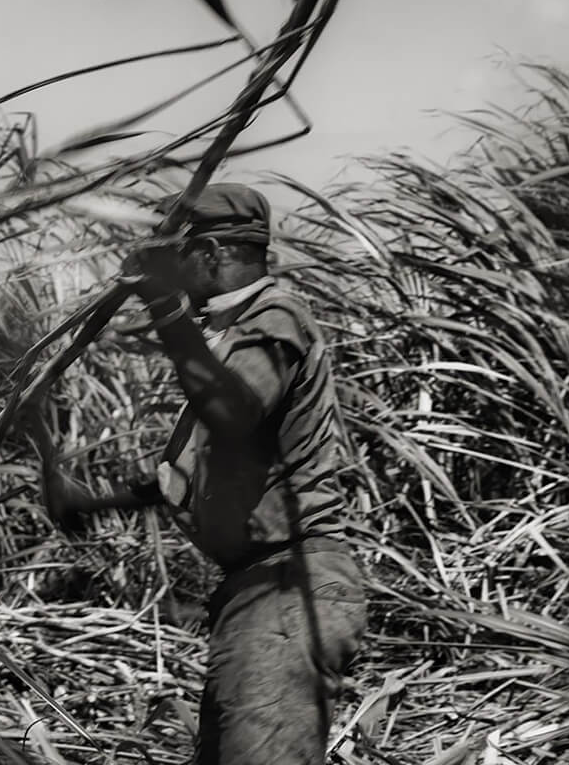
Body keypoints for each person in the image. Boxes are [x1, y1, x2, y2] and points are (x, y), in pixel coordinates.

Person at [35, 183, 366, 765]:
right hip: (254, 597)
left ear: (210, 253)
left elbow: (233, 413)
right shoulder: (230, 348)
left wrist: (166, 307)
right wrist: (88, 502)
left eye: (178, 254)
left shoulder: (278, 316)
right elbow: (187, 477)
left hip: (290, 587)